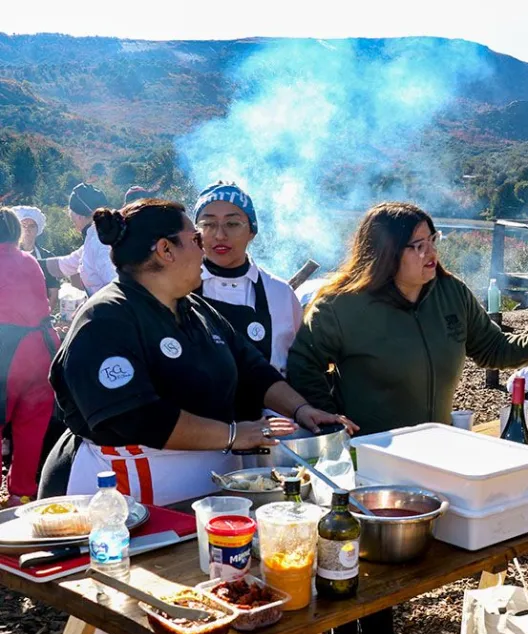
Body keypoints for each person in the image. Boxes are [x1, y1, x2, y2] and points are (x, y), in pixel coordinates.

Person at [288, 201, 528, 634]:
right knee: (365, 563)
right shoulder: (342, 306)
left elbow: (492, 347)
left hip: (437, 457)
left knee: (408, 567)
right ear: (384, 254)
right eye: (416, 245)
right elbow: (303, 364)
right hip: (369, 460)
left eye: (432, 241)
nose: (429, 253)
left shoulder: (450, 294)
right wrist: (333, 415)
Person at [38, 199, 356, 509]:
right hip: (124, 493)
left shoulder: (195, 308)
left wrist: (301, 409)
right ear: (165, 250)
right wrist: (233, 434)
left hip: (204, 487)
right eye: (194, 239)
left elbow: (252, 368)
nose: (202, 248)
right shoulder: (106, 318)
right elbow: (137, 416)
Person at [192, 182, 302, 408]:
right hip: (198, 431)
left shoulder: (279, 292)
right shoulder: (177, 290)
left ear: (252, 231)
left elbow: (297, 366)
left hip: (270, 426)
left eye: (232, 223)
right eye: (208, 224)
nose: (220, 235)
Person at [0, 208, 59, 504]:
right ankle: (21, 493)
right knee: (31, 425)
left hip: (7, 352)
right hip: (42, 349)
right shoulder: (30, 260)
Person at [43, 183, 116, 296]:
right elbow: (63, 265)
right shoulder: (94, 239)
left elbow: (117, 287)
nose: (70, 218)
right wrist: (23, 261)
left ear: (79, 216)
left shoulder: (101, 244)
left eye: (71, 213)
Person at [12, 206, 60, 311]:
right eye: (23, 225)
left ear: (38, 229)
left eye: (32, 226)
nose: (27, 229)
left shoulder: (48, 258)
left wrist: (44, 317)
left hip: (39, 315)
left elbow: (54, 293)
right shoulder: (9, 256)